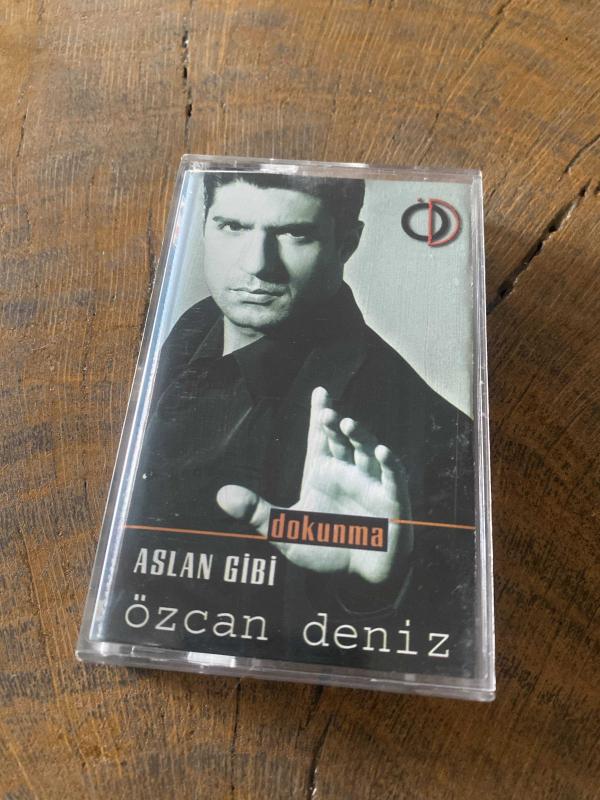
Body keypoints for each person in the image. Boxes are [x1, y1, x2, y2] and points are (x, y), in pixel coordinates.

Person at [123, 171, 475, 672]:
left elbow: (438, 641)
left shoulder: (439, 438)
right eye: (232, 227)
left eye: (294, 234)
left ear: (347, 243)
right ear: (203, 224)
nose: (256, 265)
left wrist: (370, 588)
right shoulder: (196, 326)